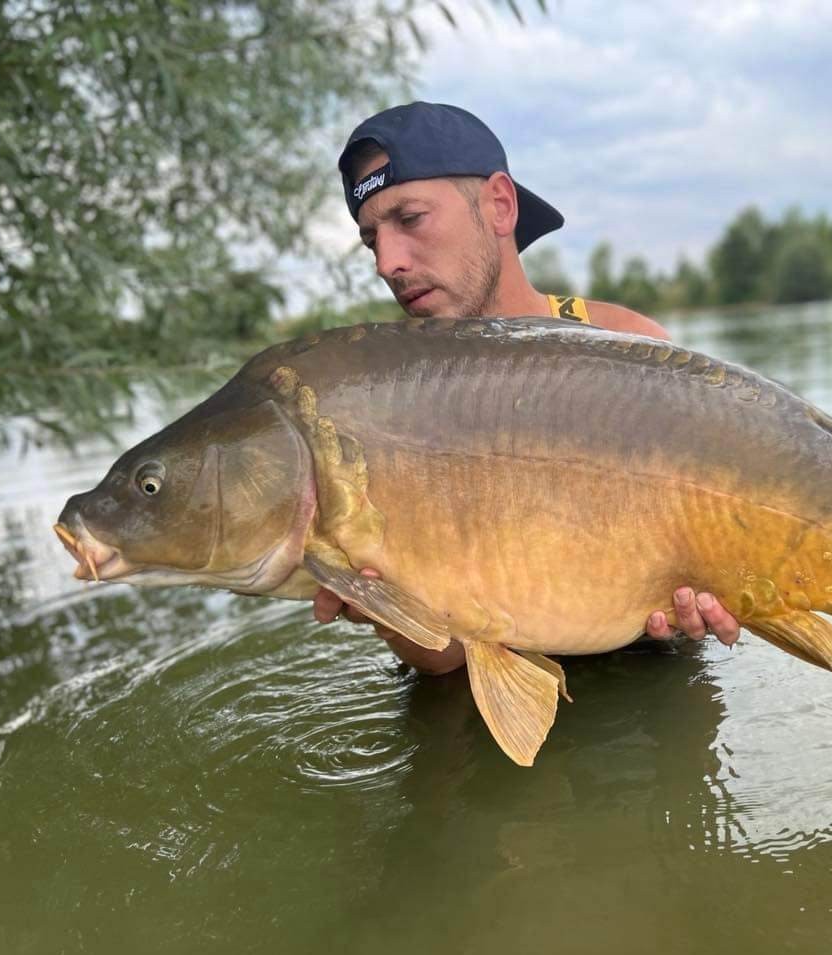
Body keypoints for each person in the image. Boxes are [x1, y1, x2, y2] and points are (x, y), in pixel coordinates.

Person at [313, 101, 739, 674]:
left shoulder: (634, 349)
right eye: (371, 241)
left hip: (648, 689)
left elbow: (721, 567)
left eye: (410, 219)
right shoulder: (396, 408)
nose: (388, 262)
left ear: (499, 204)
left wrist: (720, 598)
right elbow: (445, 665)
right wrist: (379, 604)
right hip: (475, 711)